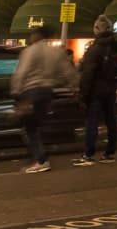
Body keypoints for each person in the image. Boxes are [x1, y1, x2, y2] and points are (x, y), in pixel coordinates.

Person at [9, 24, 77, 173]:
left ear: (37, 35)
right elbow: (68, 72)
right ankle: (37, 156)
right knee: (36, 126)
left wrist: (16, 91)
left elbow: (21, 73)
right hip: (47, 93)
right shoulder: (56, 52)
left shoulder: (30, 51)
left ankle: (41, 160)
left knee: (29, 128)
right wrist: (74, 87)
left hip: (31, 92)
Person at [75, 16, 117, 165]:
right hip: (111, 88)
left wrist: (82, 95)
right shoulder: (116, 47)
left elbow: (88, 74)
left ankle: (88, 154)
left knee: (92, 122)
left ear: (96, 30)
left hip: (96, 90)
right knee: (111, 120)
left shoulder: (94, 49)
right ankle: (109, 153)